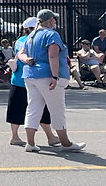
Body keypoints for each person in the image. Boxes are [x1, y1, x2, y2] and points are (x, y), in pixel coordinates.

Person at [20, 9, 86, 153]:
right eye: (54, 19)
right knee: (57, 109)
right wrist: (55, 77)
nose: (55, 22)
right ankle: (65, 143)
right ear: (50, 21)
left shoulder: (31, 35)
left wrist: (26, 61)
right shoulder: (52, 34)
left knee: (33, 108)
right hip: (47, 75)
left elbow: (21, 53)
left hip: (30, 75)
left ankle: (30, 143)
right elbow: (53, 56)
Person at [6, 17, 60, 147]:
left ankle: (49, 136)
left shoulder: (23, 40)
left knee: (32, 108)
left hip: (22, 78)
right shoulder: (26, 41)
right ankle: (16, 136)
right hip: (28, 78)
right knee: (34, 108)